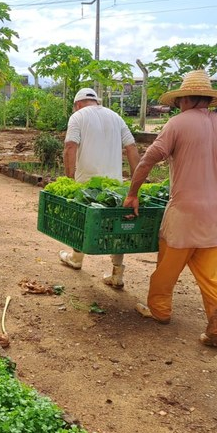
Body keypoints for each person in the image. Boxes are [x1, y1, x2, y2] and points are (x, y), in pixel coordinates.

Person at [123, 69, 217, 347]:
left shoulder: (177, 124)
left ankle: (160, 312)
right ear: (208, 99)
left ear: (184, 99)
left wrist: (132, 193)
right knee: (212, 275)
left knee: (167, 269)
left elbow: (148, 159)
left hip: (185, 213)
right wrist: (216, 181)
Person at [59, 87, 140, 288]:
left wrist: (69, 178)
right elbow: (132, 147)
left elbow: (70, 146)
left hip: (87, 184)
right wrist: (135, 184)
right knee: (116, 227)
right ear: (97, 101)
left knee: (81, 220)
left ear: (77, 104)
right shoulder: (116, 117)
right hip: (114, 185)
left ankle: (76, 259)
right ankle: (117, 273)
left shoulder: (77, 117)